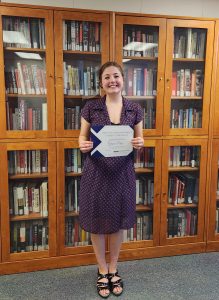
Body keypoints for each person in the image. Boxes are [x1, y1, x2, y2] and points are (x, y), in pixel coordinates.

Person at [78, 61, 144, 298]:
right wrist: (83, 145)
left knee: (118, 221)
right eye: (107, 77)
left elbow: (140, 140)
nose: (112, 80)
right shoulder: (90, 108)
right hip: (96, 173)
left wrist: (140, 143)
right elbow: (81, 138)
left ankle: (114, 268)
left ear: (123, 79)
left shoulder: (134, 109)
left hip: (122, 173)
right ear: (101, 82)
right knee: (96, 221)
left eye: (116, 76)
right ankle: (101, 269)